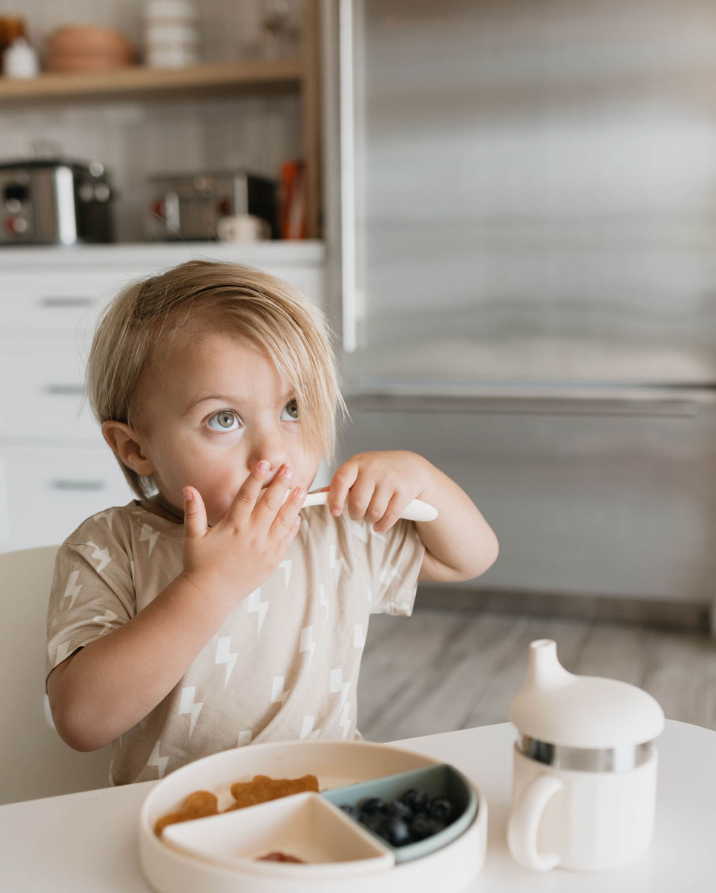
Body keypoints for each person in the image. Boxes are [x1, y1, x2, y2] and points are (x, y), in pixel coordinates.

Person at [46, 260, 498, 784]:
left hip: (327, 791)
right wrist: (210, 585)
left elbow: (471, 557)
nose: (275, 452)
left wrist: (425, 480)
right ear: (135, 448)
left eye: (292, 408)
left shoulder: (331, 528)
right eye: (224, 419)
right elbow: (81, 721)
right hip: (182, 819)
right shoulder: (108, 548)